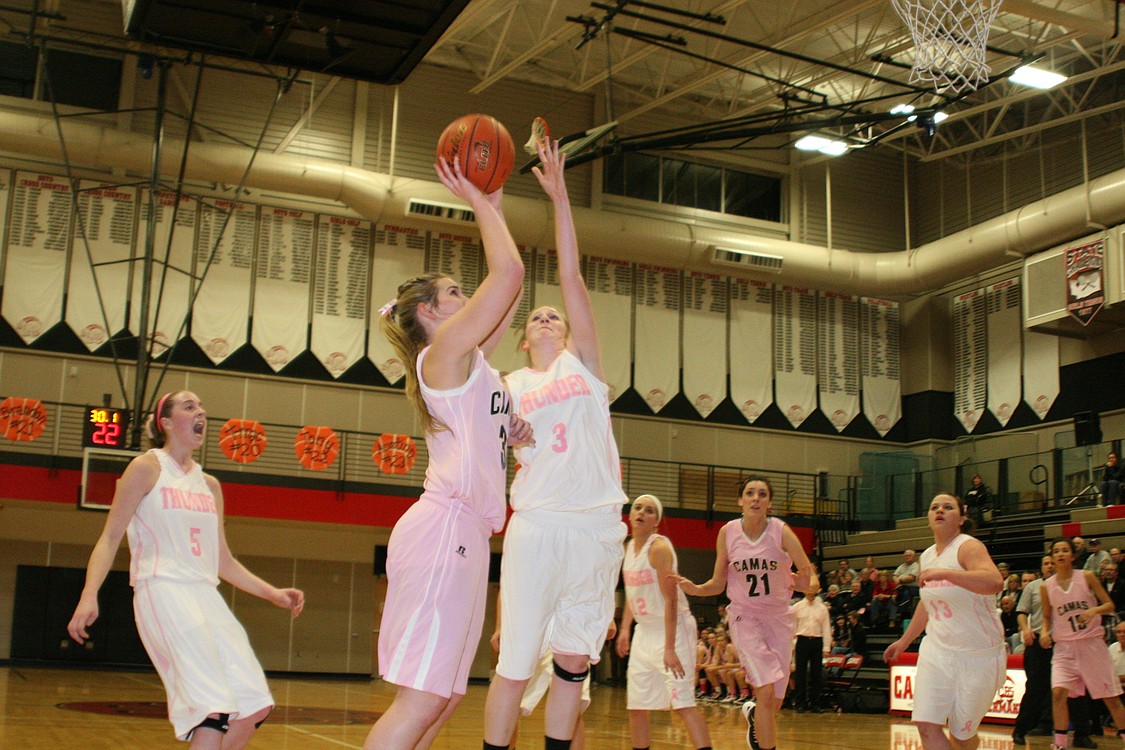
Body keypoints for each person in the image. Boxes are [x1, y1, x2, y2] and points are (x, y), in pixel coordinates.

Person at [366, 153, 530, 750]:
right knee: (425, 696)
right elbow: (508, 275)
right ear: (431, 313)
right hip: (444, 530)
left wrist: (513, 428)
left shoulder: (473, 364)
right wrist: (482, 202)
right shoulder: (440, 356)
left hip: (466, 536)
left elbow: (506, 294)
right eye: (457, 292)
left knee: (447, 694)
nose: (468, 298)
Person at [483, 139, 628, 750]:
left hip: (595, 525)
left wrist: (560, 197)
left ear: (569, 334)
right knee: (515, 662)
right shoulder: (507, 384)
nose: (546, 319)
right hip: (537, 522)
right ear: (521, 338)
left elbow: (570, 276)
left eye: (554, 317)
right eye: (535, 318)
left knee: (574, 662)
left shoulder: (584, 368)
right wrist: (504, 433)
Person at [66, 391, 305, 747]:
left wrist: (272, 593)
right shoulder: (147, 468)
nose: (201, 412)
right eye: (189, 406)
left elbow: (222, 560)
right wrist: (89, 596)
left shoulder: (210, 486)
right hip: (163, 589)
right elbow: (110, 536)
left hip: (206, 596)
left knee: (255, 704)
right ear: (165, 422)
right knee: (213, 709)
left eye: (202, 407)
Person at [674, 476, 817, 750]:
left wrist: (805, 584)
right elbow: (718, 583)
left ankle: (753, 715)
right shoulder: (727, 532)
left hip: (779, 618)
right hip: (745, 617)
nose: (756, 498)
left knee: (773, 702)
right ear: (740, 500)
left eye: (762, 494)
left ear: (769, 503)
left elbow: (812, 579)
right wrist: (694, 588)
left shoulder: (781, 531)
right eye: (750, 493)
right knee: (763, 690)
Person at [883, 493, 1005, 750]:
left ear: (961, 518)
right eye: (934, 507)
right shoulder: (926, 556)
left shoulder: (968, 547)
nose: (939, 510)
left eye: (948, 507)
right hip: (937, 651)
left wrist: (947, 573)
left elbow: (994, 582)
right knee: (926, 726)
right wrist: (904, 641)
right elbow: (928, 602)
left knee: (961, 736)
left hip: (977, 654)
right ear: (928, 518)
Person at [616, 494, 713, 749]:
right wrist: (626, 628)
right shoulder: (628, 547)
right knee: (637, 706)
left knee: (683, 704)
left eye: (649, 511)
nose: (641, 513)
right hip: (644, 631)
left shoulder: (659, 548)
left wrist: (669, 648)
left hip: (673, 629)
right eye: (638, 508)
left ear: (656, 522)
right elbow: (632, 592)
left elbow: (670, 601)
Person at [1040, 537, 1125, 750]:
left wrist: (1093, 610)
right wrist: (1043, 632)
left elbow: (1109, 604)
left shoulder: (1086, 577)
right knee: (1058, 693)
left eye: (1064, 550)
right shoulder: (1046, 586)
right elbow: (1047, 617)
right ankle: (1059, 744)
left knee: (1111, 698)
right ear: (1052, 556)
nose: (1060, 554)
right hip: (1064, 647)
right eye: (1056, 551)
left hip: (1091, 644)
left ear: (1073, 555)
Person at [1013, 555, 1057, 745]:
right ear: (1041, 567)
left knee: (1064, 688)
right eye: (1046, 563)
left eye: (1052, 563)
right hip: (1038, 641)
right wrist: (1026, 630)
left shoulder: (1067, 584)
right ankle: (1021, 729)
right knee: (1035, 688)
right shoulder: (1033, 587)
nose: (1049, 566)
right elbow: (1021, 612)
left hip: (1063, 641)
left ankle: (1078, 730)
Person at [791, 584, 832, 712]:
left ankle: (815, 703)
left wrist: (826, 647)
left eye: (812, 590)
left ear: (816, 591)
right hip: (802, 640)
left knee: (816, 674)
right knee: (800, 674)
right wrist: (792, 644)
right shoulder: (796, 607)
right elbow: (792, 628)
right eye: (808, 589)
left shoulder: (822, 608)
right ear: (804, 590)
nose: (810, 592)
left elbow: (826, 628)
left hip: (817, 641)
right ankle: (800, 703)